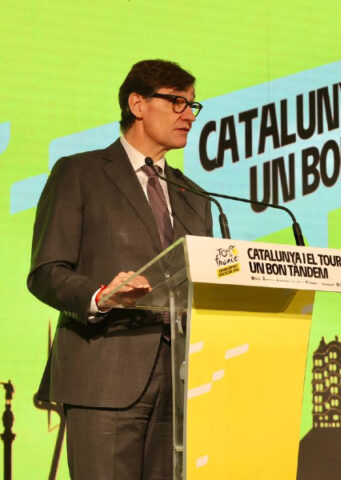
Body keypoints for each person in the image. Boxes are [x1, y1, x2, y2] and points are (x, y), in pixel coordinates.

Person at [28, 59, 213, 480]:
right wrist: (99, 296)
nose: (189, 115)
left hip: (182, 384)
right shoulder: (80, 172)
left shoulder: (195, 196)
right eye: (177, 102)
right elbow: (46, 270)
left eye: (192, 104)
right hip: (104, 376)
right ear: (137, 104)